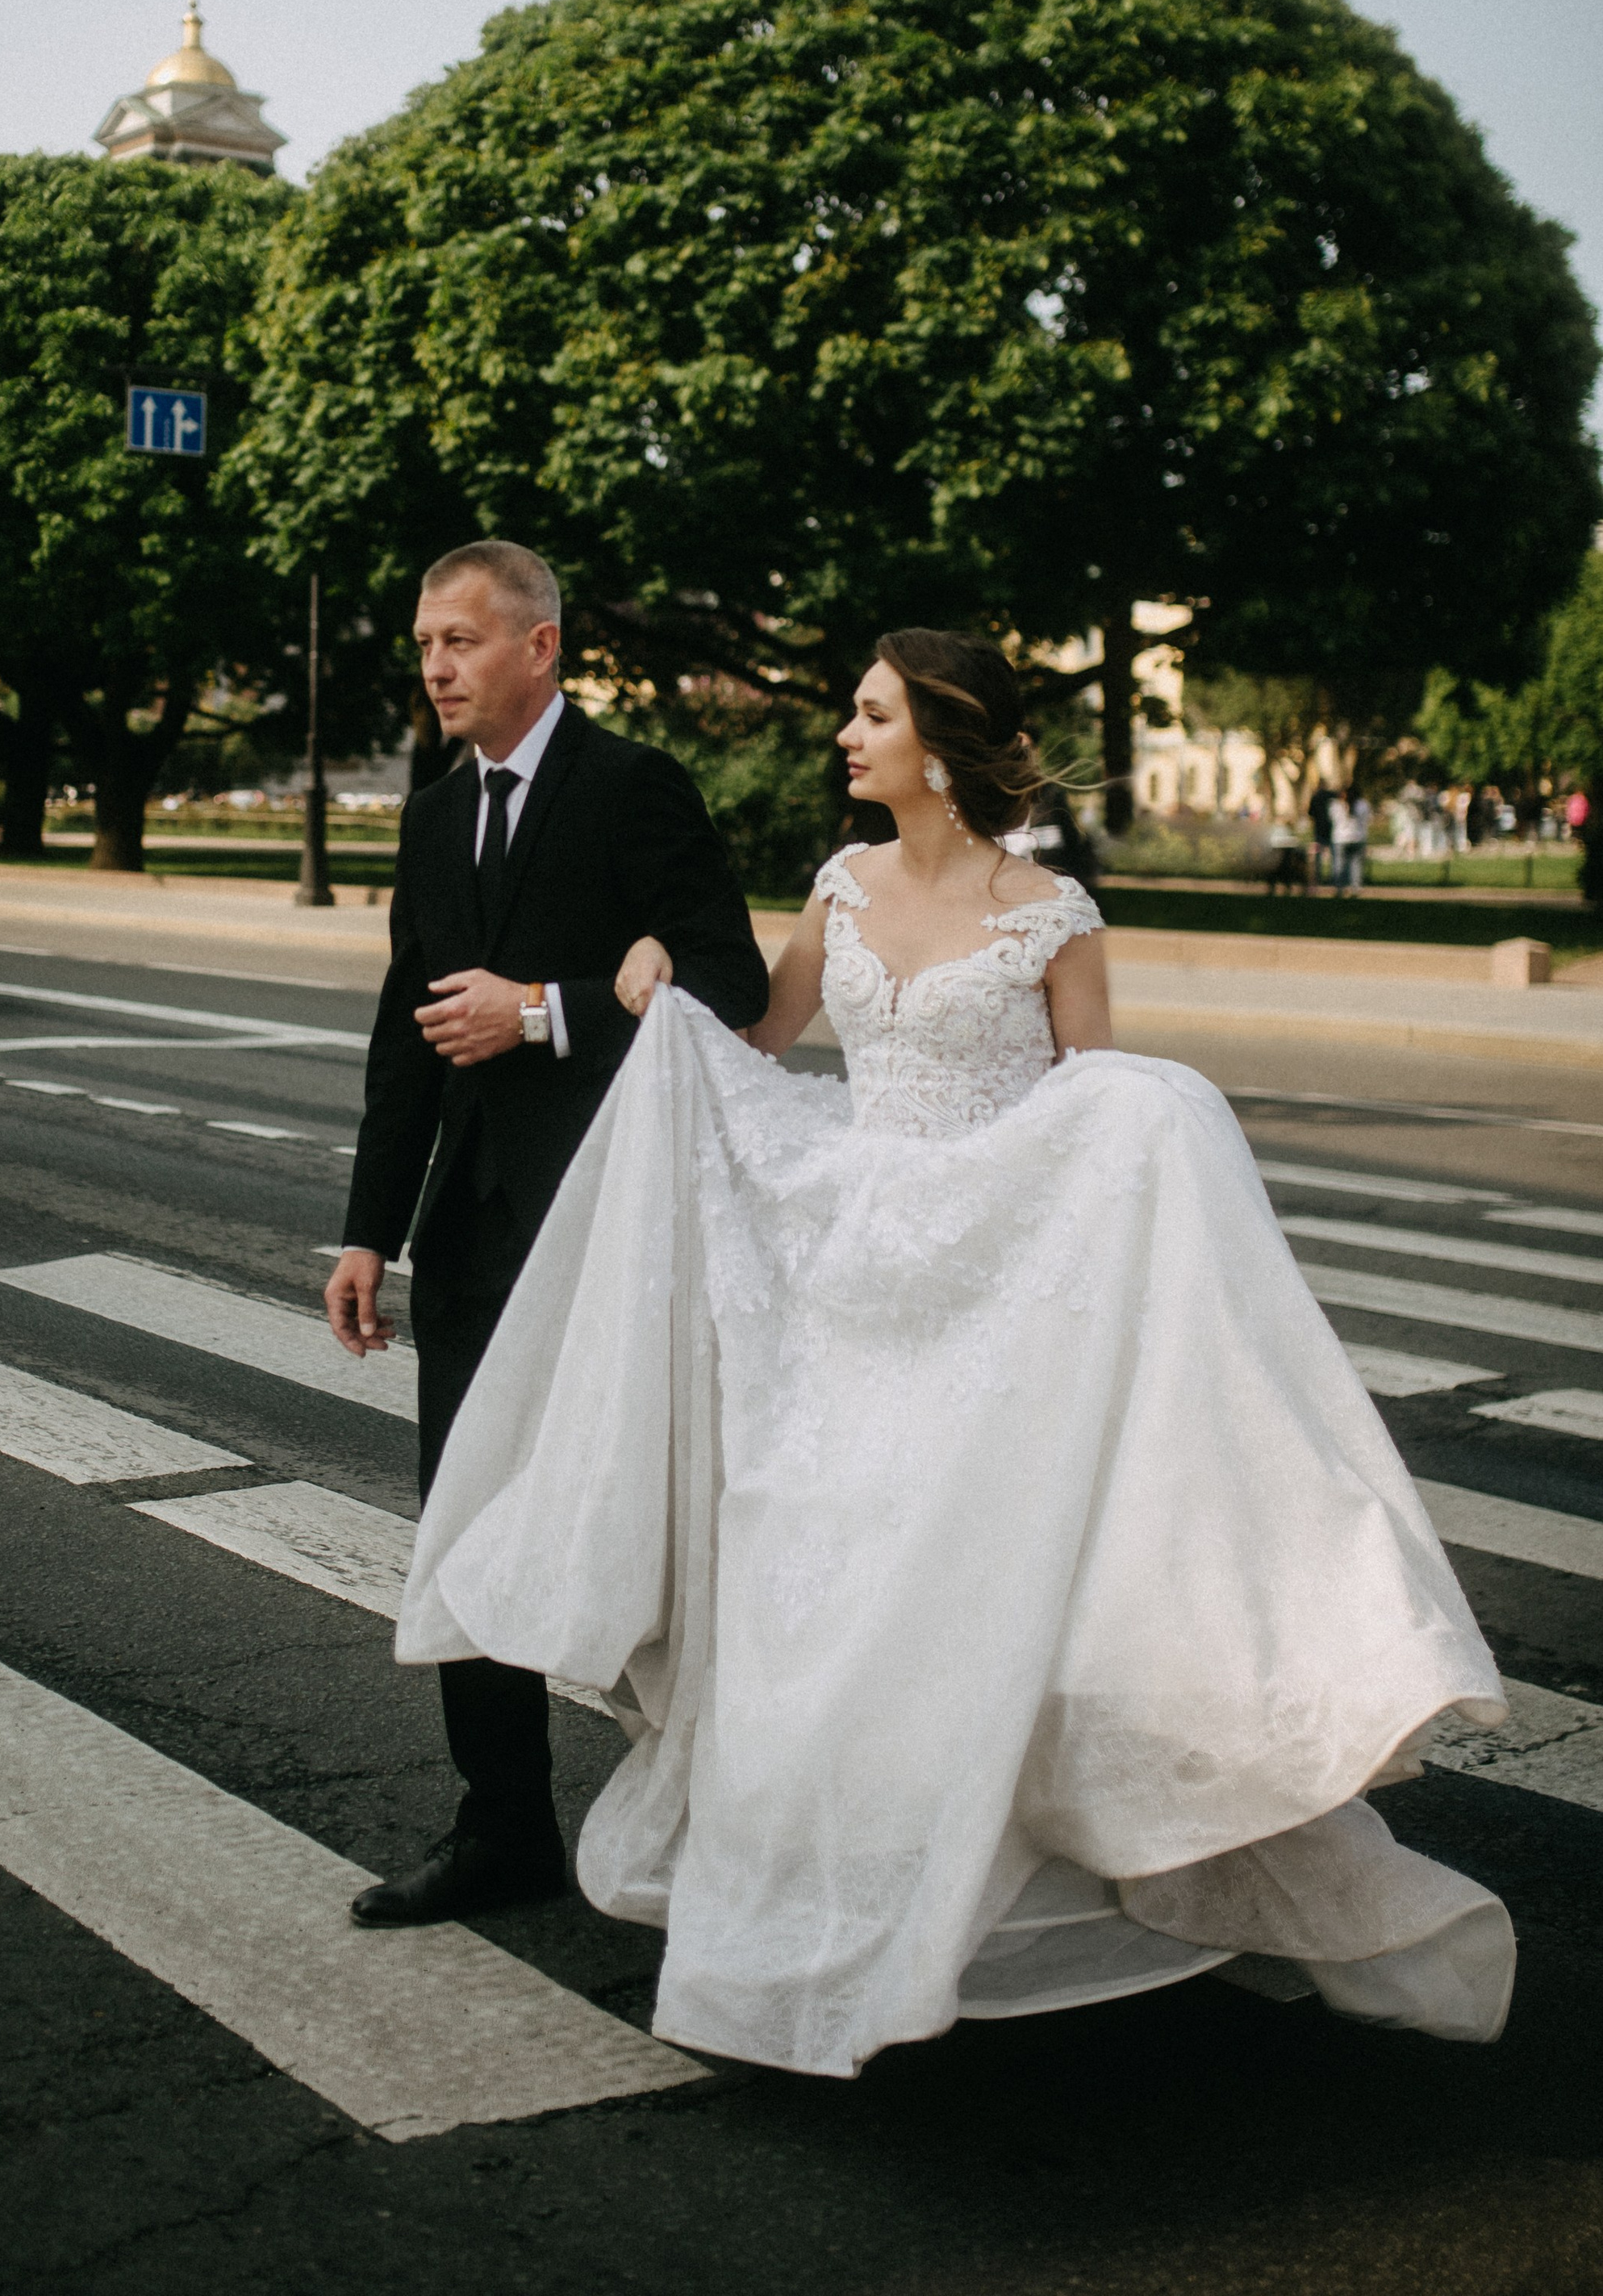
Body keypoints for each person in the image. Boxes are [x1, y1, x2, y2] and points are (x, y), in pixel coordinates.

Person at [399, 627, 1513, 2074]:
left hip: (996, 1290)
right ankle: (843, 1885)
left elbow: (1095, 1123)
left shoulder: (1056, 915)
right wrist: (665, 990)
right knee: (833, 1580)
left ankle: (994, 1881)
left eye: (870, 717)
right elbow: (761, 1043)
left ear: (940, 740)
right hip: (852, 1275)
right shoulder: (840, 888)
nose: (845, 739)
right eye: (852, 715)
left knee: (981, 1591)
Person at [328, 541, 768, 1929]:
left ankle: (730, 1817)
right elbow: (409, 1045)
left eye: (461, 641)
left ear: (541, 648)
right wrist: (365, 1234)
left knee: (661, 1533)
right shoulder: (429, 818)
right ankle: (502, 1824)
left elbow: (733, 977)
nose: (437, 668)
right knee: (466, 1529)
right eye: (423, 646)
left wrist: (552, 1007)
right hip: (469, 1234)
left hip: (616, 1237)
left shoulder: (634, 788)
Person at [1333, 788, 1371, 895]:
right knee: (1356, 864)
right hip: (1358, 837)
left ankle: (1339, 888)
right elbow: (1368, 819)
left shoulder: (1336, 805)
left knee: (1339, 864)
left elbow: (1333, 819)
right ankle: (1356, 888)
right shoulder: (1363, 805)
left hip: (1340, 838)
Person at [1307, 778, 1336, 887]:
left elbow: (1310, 813)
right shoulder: (1332, 796)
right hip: (1331, 830)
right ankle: (1334, 878)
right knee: (1334, 856)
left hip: (1319, 830)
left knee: (1318, 856)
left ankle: (1318, 877)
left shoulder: (1315, 797)